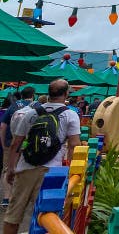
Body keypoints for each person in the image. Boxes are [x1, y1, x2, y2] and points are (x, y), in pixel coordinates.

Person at [3, 80, 80, 234]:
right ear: (66, 94)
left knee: (13, 215)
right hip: (52, 172)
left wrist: (11, 169)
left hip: (26, 168)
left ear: (48, 93)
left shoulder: (31, 113)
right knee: (46, 216)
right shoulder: (70, 115)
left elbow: (16, 143)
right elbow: (74, 145)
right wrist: (71, 172)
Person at [0, 88, 34, 207]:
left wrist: (3, 143)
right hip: (29, 145)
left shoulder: (13, 106)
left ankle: (6, 198)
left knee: (8, 169)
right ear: (33, 95)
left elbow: (3, 126)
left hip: (11, 143)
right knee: (25, 169)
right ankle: (20, 197)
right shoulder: (36, 107)